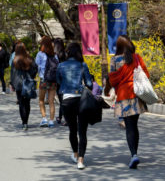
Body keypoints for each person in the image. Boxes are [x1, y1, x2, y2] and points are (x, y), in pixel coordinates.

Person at [104, 34, 149, 169]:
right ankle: (135, 154)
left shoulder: (115, 60)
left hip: (124, 96)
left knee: (129, 127)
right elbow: (146, 75)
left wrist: (108, 90)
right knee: (134, 126)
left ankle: (133, 155)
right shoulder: (137, 58)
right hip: (137, 95)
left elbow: (112, 79)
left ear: (118, 46)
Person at [57, 41, 96, 170]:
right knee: (82, 131)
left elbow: (58, 82)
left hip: (67, 100)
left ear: (68, 52)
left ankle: (75, 154)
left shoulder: (61, 65)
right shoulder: (82, 65)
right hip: (81, 100)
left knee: (72, 130)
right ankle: (81, 161)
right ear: (79, 52)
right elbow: (89, 84)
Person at [10, 42, 38, 129]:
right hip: (28, 83)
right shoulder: (30, 59)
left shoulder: (15, 60)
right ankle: (26, 121)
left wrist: (12, 83)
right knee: (27, 103)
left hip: (18, 84)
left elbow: (12, 73)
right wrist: (31, 77)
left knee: (21, 103)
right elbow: (35, 69)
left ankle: (24, 122)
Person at [35, 37, 59, 127]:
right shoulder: (55, 55)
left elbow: (36, 65)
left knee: (41, 100)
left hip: (43, 79)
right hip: (53, 80)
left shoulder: (40, 54)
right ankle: (51, 121)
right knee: (51, 101)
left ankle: (44, 119)